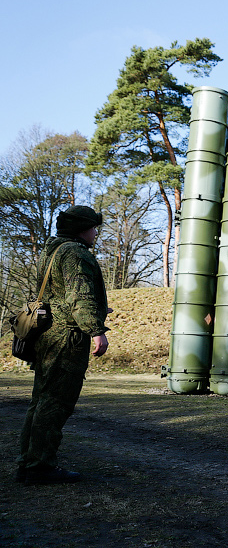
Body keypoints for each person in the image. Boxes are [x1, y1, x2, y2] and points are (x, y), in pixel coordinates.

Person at [18, 205, 110, 485]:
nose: (96, 233)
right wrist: (96, 331)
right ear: (82, 229)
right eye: (93, 227)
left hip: (48, 335)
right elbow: (79, 296)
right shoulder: (75, 253)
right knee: (55, 402)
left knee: (41, 400)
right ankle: (39, 467)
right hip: (66, 338)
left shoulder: (53, 251)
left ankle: (30, 461)